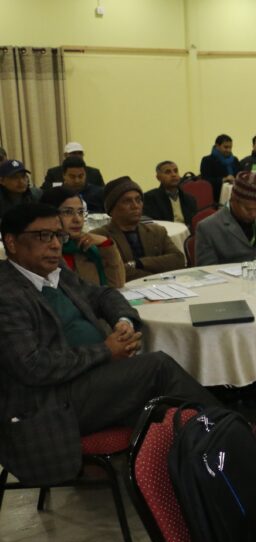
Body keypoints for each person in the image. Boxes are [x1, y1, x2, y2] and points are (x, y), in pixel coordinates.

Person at [0, 202, 221, 486]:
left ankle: (209, 455)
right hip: (46, 403)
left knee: (163, 401)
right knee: (157, 369)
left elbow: (104, 294)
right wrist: (105, 351)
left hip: (84, 382)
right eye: (44, 236)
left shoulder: (54, 274)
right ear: (12, 243)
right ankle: (231, 436)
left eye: (58, 235)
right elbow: (32, 366)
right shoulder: (7, 293)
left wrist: (123, 322)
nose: (55, 245)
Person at [92, 177, 185, 281]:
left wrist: (138, 263)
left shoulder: (157, 231)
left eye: (138, 200)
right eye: (127, 201)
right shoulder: (100, 237)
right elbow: (113, 272)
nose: (135, 206)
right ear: (111, 208)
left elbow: (178, 260)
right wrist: (155, 274)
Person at [39, 188, 125, 288]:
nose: (78, 219)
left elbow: (117, 284)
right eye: (68, 212)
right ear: (49, 214)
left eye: (80, 212)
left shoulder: (85, 247)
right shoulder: (41, 252)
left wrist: (106, 244)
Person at [142, 160, 198, 226]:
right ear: (158, 177)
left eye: (176, 171)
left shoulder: (189, 199)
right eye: (168, 172)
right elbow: (153, 225)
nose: (173, 175)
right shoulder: (150, 198)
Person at [199, 134, 239, 206]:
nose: (228, 150)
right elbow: (205, 180)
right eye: (226, 147)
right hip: (216, 197)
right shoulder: (207, 160)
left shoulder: (234, 160)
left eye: (230, 147)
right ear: (217, 146)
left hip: (236, 196)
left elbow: (240, 174)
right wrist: (224, 179)